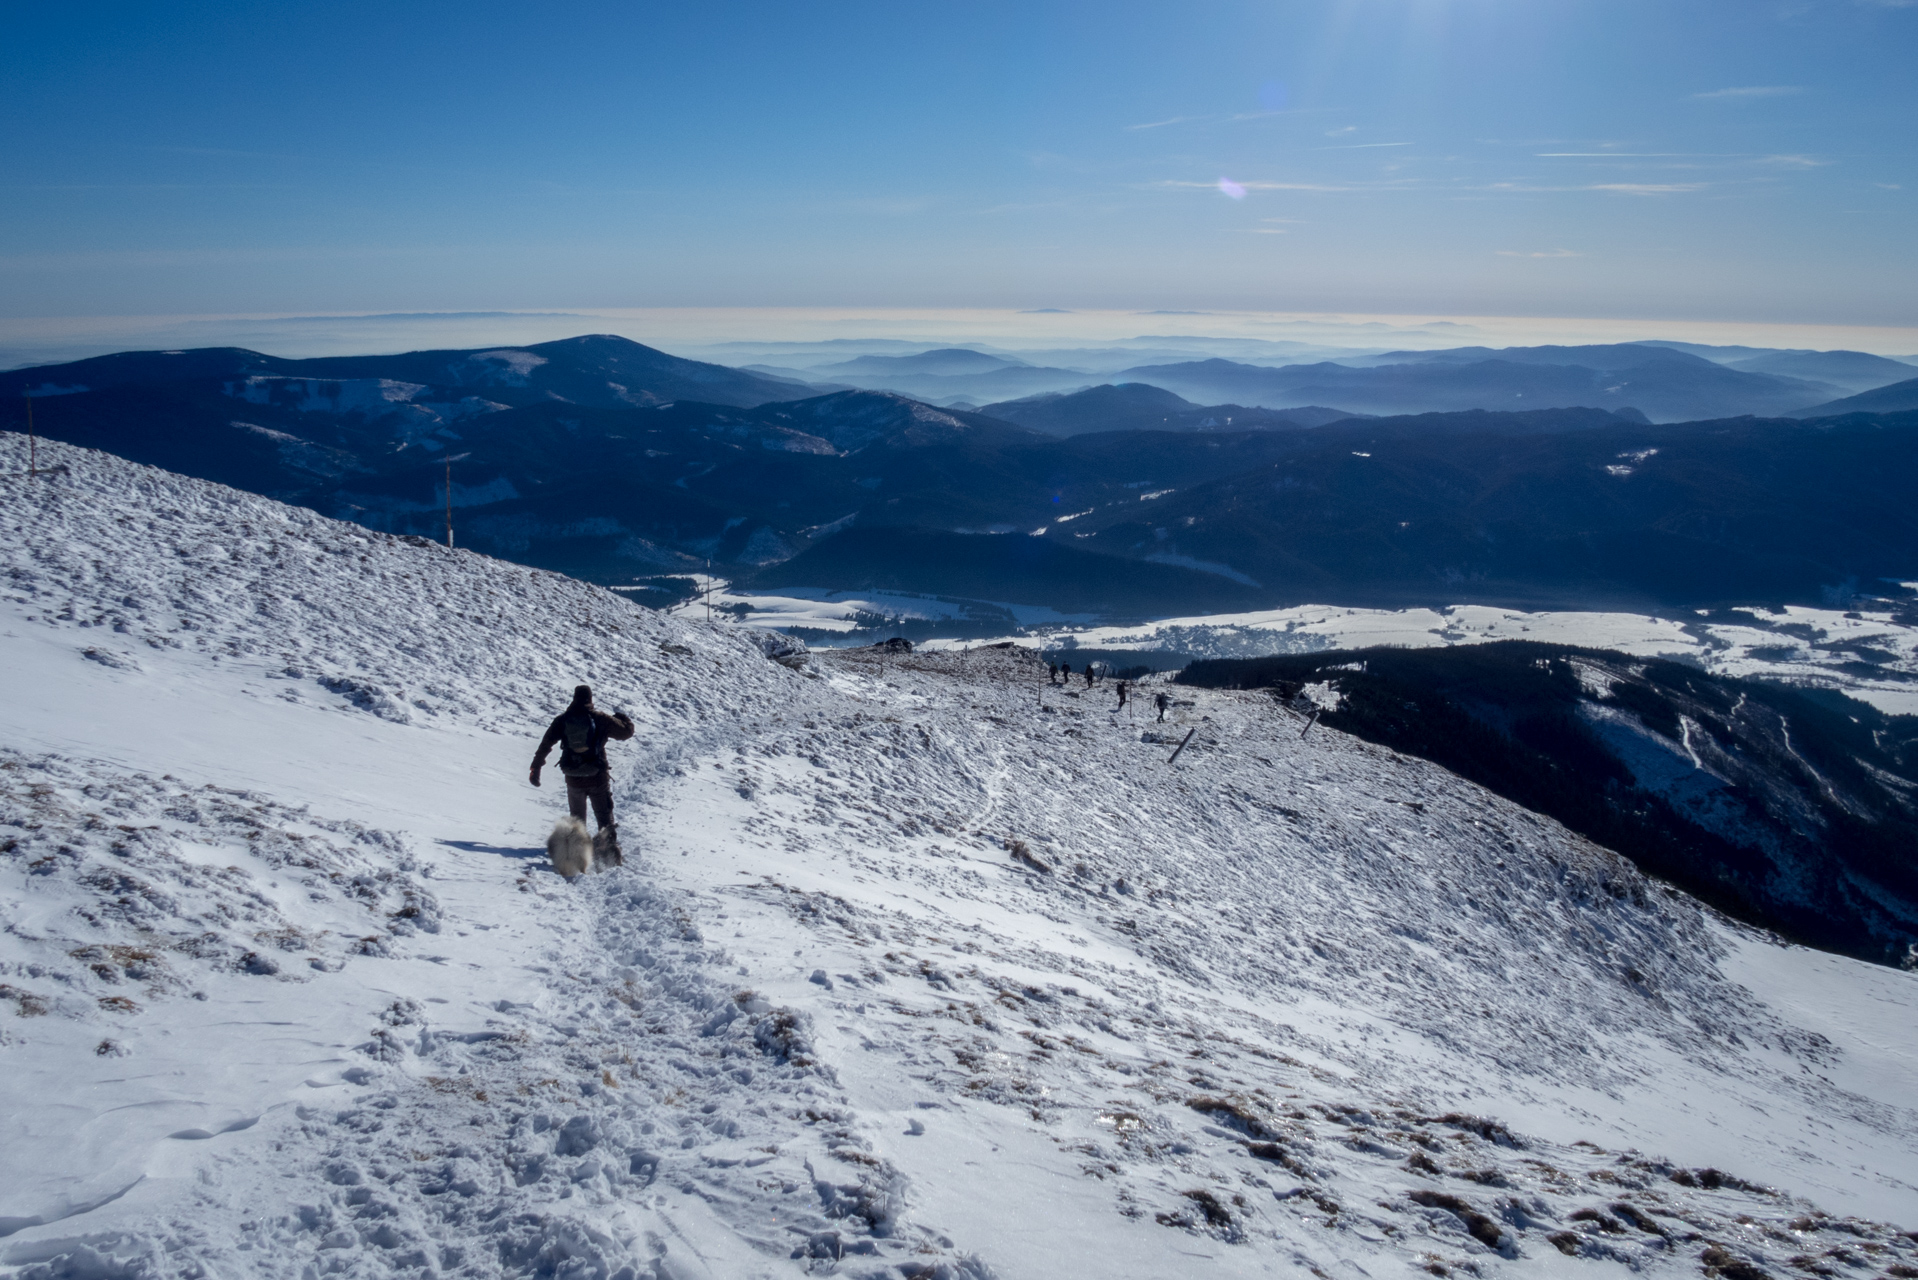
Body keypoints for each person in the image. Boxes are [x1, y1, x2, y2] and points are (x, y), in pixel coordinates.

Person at [530, 684, 635, 851]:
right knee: (603, 814)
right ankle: (608, 850)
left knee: (577, 818)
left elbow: (545, 745)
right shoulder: (600, 718)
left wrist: (536, 768)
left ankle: (577, 851)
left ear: (574, 698)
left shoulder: (563, 720)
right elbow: (626, 733)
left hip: (573, 778)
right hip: (597, 777)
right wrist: (623, 718)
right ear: (590, 699)